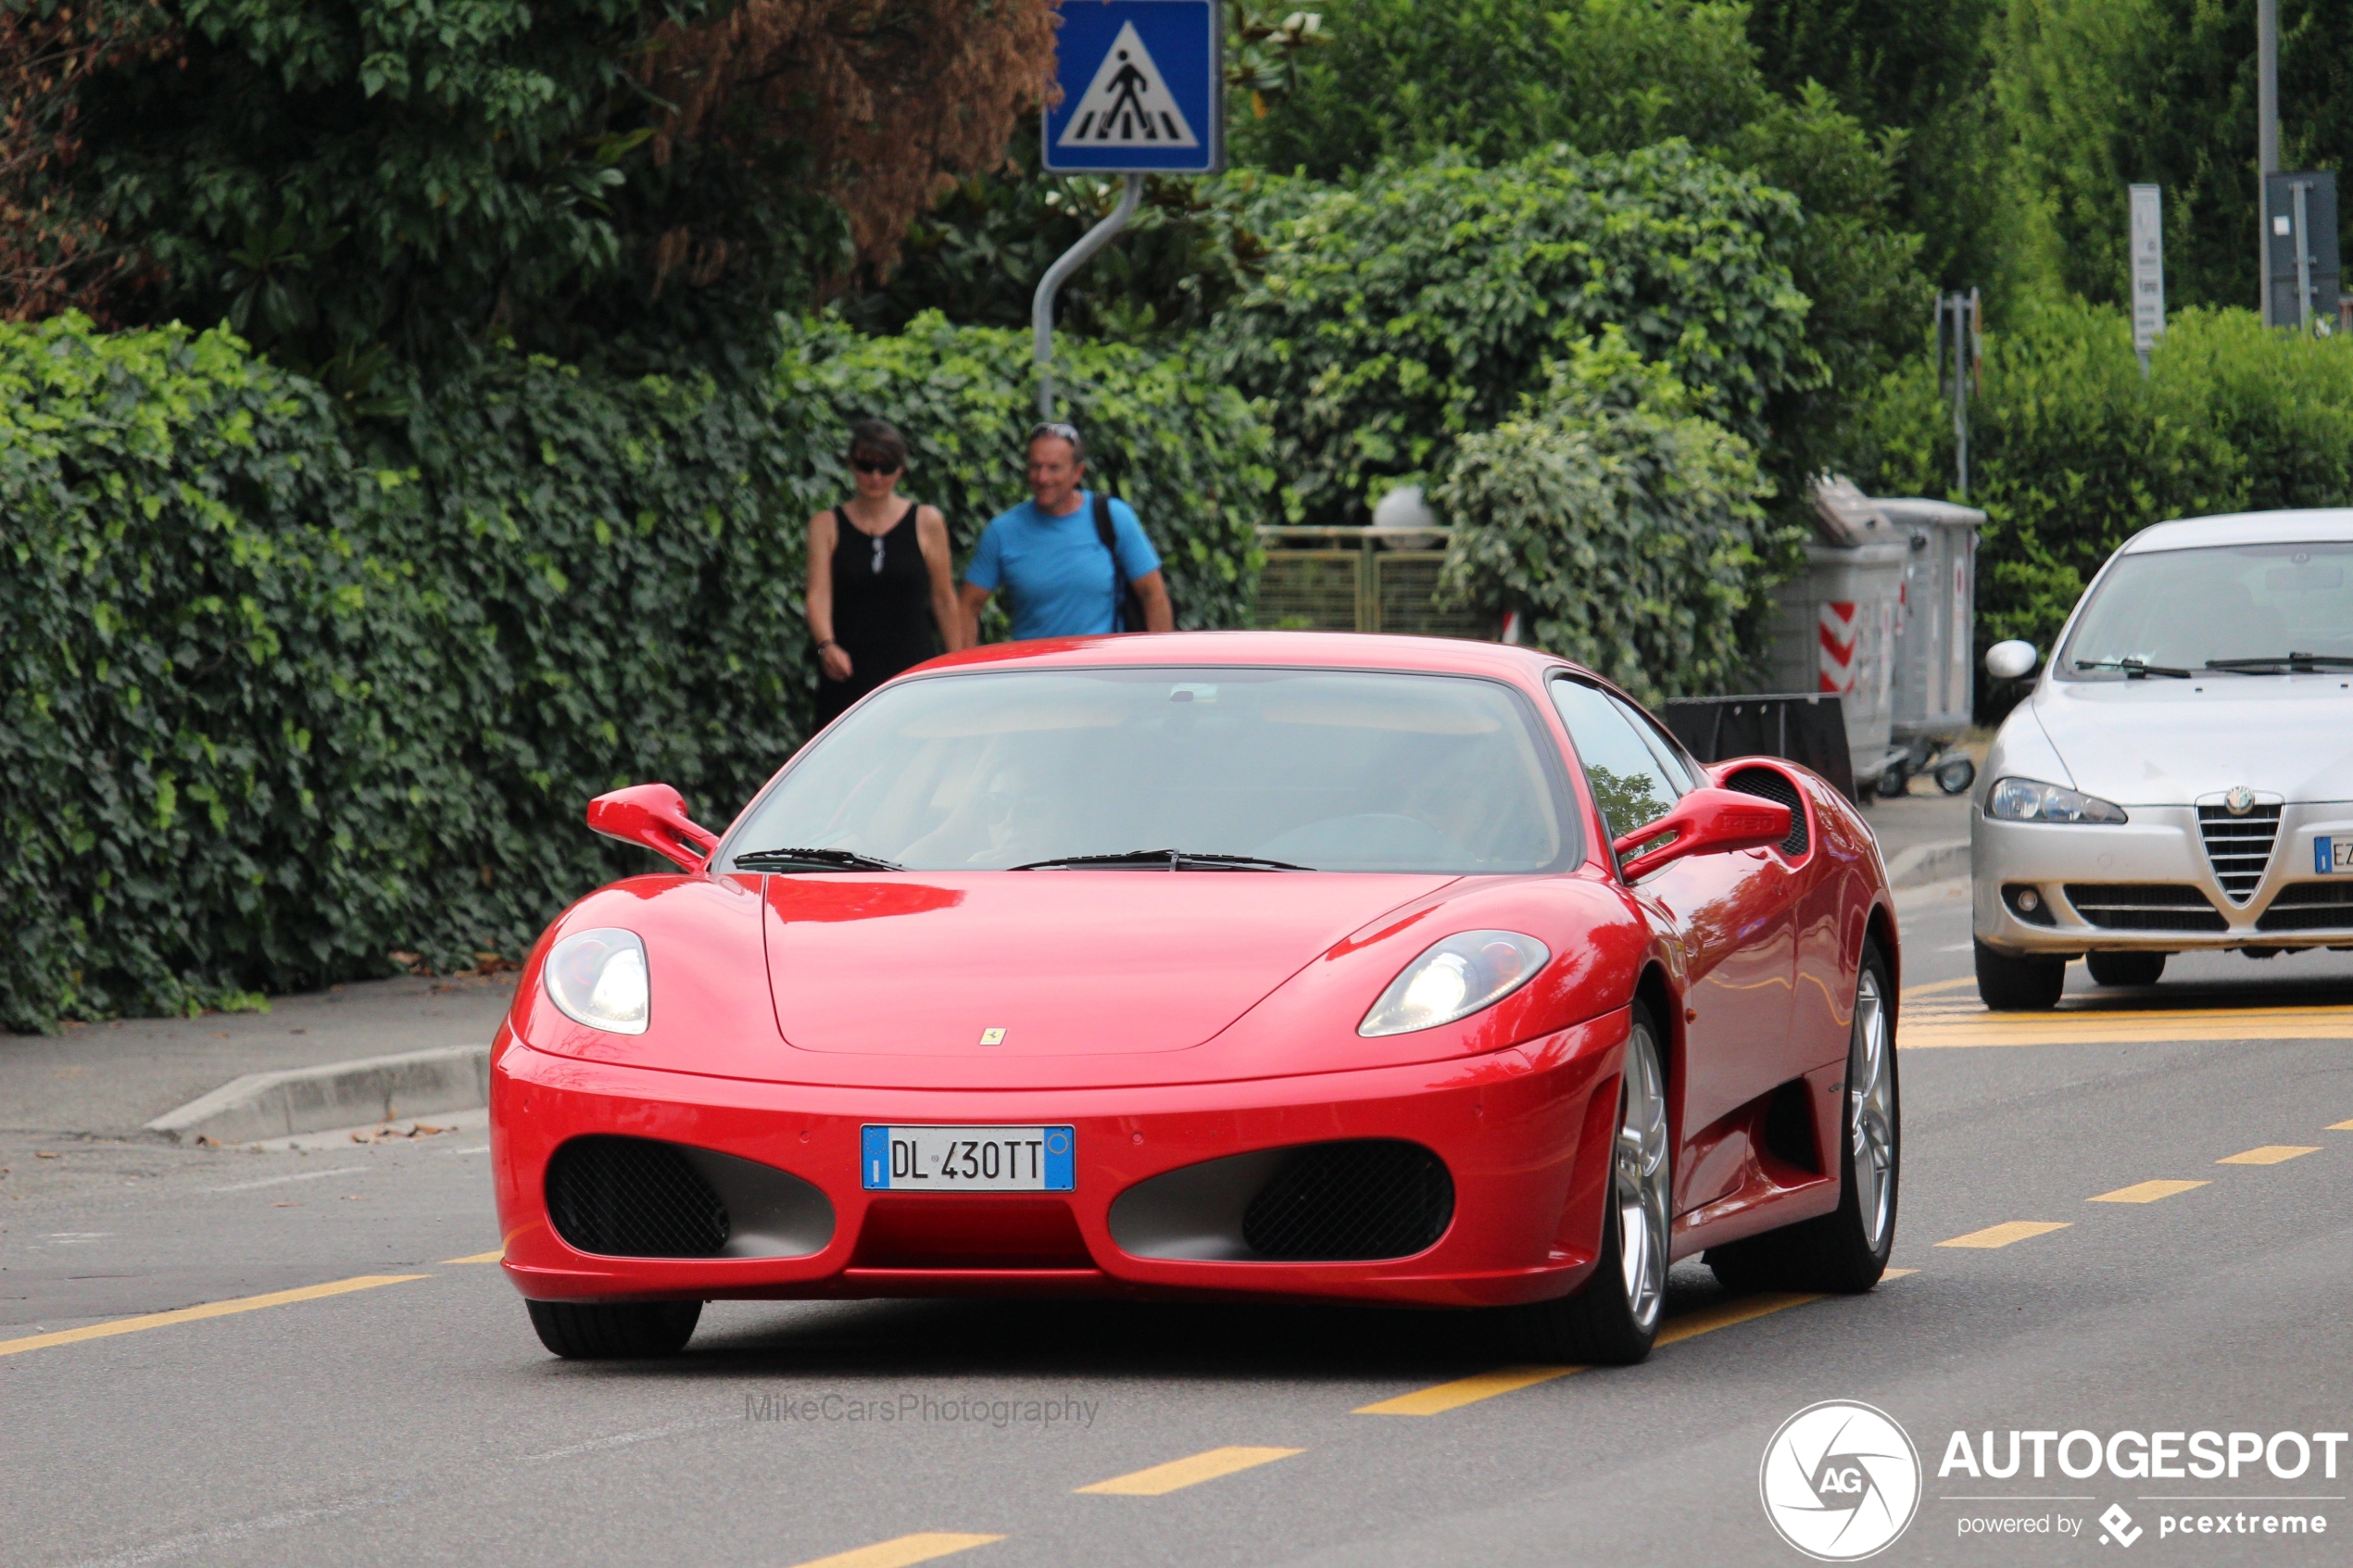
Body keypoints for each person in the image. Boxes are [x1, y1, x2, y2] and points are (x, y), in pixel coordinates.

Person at [806, 419, 964, 726]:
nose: (876, 477)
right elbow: (817, 594)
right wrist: (827, 645)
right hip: (848, 670)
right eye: (866, 466)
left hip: (913, 672)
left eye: (887, 468)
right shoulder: (825, 525)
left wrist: (956, 664)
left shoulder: (926, 521)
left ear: (901, 469)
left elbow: (944, 599)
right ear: (851, 465)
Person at [959, 422, 1175, 644]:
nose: (1042, 478)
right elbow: (967, 607)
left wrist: (1161, 666)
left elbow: (1153, 595)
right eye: (1035, 466)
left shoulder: (1113, 518)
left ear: (1077, 473)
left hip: (1103, 670)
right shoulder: (1003, 532)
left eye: (1054, 468)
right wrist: (960, 673)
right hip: (1035, 671)